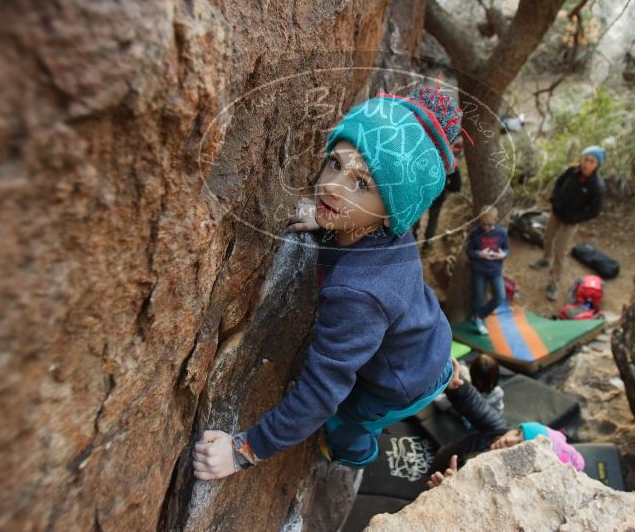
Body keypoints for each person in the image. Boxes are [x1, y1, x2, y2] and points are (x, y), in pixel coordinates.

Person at [192, 84, 465, 480]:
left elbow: (322, 392)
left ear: (392, 211)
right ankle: (442, 372)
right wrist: (326, 221)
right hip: (429, 344)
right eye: (336, 163)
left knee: (346, 419)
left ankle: (352, 457)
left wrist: (244, 449)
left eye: (362, 185)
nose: (334, 186)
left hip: (399, 385)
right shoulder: (386, 229)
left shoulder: (358, 294)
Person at [531, 146, 606, 301]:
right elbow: (558, 184)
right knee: (548, 237)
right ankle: (545, 259)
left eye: (592, 161)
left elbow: (594, 211)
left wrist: (576, 218)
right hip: (557, 212)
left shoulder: (597, 186)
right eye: (586, 159)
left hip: (571, 221)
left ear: (597, 165)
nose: (587, 164)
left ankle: (554, 282)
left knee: (561, 250)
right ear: (581, 159)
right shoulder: (571, 172)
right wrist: (554, 200)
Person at [426, 421, 585, 488]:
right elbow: (476, 405)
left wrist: (448, 490)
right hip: (433, 464)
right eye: (516, 432)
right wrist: (459, 387)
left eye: (519, 445)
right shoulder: (497, 431)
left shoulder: (498, 487)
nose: (509, 440)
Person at [413, 135, 463, 250]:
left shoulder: (427, 156)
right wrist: (447, 187)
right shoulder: (451, 164)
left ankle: (414, 234)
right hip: (438, 195)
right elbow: (456, 186)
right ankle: (428, 242)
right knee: (433, 219)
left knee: (418, 214)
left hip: (423, 192)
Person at [465, 206, 510, 334]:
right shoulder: (475, 233)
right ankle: (478, 321)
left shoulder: (501, 233)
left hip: (495, 270)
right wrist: (480, 254)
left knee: (500, 296)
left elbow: (507, 249)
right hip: (479, 270)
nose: (486, 228)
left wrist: (503, 254)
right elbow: (469, 251)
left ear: (496, 220)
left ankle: (479, 315)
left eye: (489, 225)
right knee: (478, 297)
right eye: (483, 224)